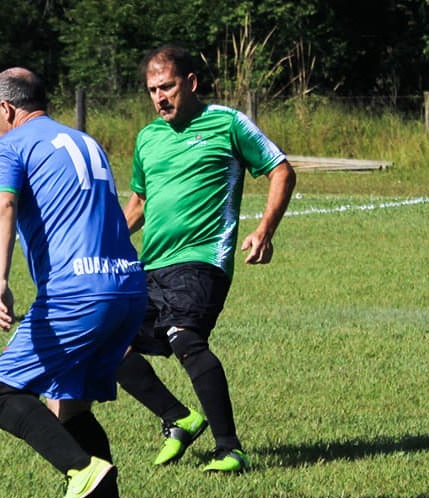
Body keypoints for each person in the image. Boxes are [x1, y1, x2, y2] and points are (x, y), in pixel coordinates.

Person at [0, 68, 147, 498]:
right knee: (70, 406)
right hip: (127, 288)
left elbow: (3, 206)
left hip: (78, 294)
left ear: (8, 109)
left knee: (2, 394)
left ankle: (81, 471)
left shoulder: (11, 145)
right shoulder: (83, 140)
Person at [118, 44, 296, 473]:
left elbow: (281, 169)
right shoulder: (148, 137)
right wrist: (107, 241)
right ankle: (179, 419)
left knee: (184, 336)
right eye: (152, 90)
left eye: (168, 87)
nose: (160, 97)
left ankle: (229, 447)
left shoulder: (227, 123)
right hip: (151, 265)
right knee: (107, 341)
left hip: (202, 259)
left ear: (191, 83)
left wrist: (264, 230)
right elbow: (139, 200)